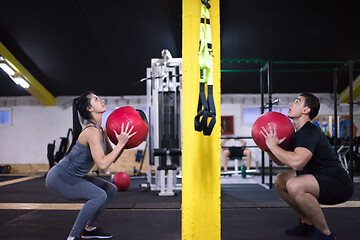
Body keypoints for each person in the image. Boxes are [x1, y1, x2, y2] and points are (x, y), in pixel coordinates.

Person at [261, 92, 353, 240]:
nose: (291, 104)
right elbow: (281, 161)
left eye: (297, 101)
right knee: (281, 180)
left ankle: (325, 233)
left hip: (337, 183)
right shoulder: (297, 135)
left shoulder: (310, 131)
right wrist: (267, 147)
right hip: (318, 177)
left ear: (306, 110)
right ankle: (307, 223)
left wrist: (273, 146)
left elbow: (297, 162)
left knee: (294, 185)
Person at [46, 92, 136, 240]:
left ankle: (90, 229)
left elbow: (111, 158)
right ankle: (72, 237)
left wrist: (123, 144)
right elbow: (102, 165)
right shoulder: (91, 132)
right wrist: (120, 144)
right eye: (96, 99)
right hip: (59, 178)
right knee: (98, 195)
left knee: (110, 189)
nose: (101, 100)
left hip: (74, 176)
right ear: (89, 108)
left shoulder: (101, 130)